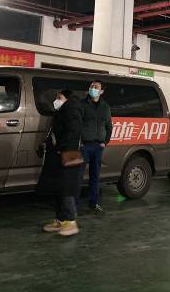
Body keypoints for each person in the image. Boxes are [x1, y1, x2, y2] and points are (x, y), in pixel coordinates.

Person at [36, 90, 83, 236]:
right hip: (59, 154)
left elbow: (73, 134)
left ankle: (70, 221)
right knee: (58, 187)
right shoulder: (62, 111)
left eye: (59, 97)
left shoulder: (72, 110)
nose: (56, 100)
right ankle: (61, 220)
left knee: (66, 188)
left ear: (67, 98)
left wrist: (62, 149)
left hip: (68, 154)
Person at [79, 80, 112, 214]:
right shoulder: (82, 104)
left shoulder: (105, 107)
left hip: (98, 147)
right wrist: (79, 141)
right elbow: (76, 124)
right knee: (78, 176)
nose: (93, 88)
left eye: (96, 87)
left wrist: (105, 141)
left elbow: (109, 127)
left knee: (95, 177)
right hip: (84, 146)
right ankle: (73, 206)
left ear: (101, 91)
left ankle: (94, 203)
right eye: (91, 86)